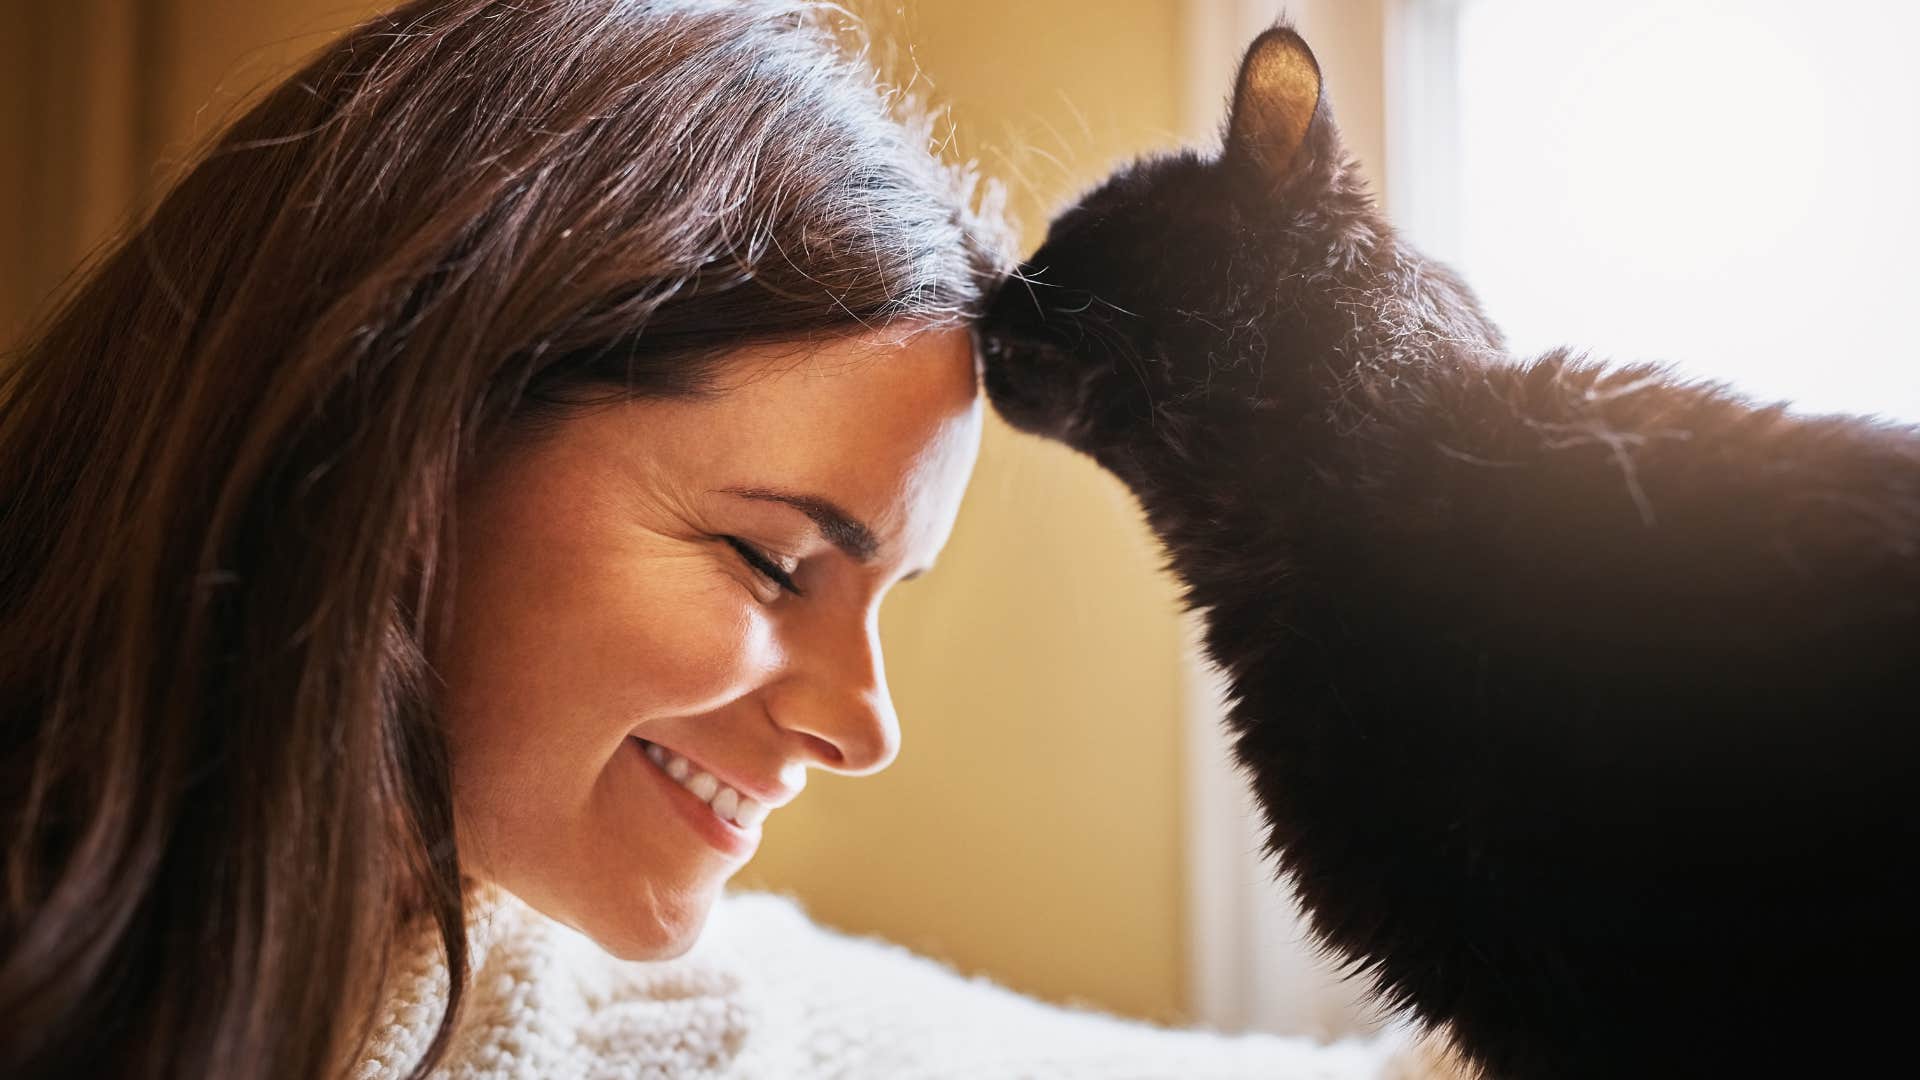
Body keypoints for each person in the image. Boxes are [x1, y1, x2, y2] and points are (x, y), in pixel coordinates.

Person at [0, 2, 1445, 1076]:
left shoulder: (713, 1027)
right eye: (769, 563)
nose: (866, 728)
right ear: (404, 430)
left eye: (886, 593)